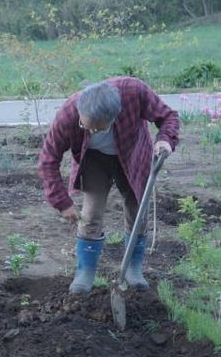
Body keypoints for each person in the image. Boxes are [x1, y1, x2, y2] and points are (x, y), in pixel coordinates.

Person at [37, 77, 180, 294]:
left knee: (137, 209)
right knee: (91, 212)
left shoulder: (134, 92)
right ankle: (85, 271)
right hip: (94, 159)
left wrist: (165, 140)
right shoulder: (68, 114)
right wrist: (62, 202)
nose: (90, 131)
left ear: (115, 116)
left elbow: (168, 116)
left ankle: (133, 268)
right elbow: (48, 160)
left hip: (133, 154)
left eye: (97, 128)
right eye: (86, 126)